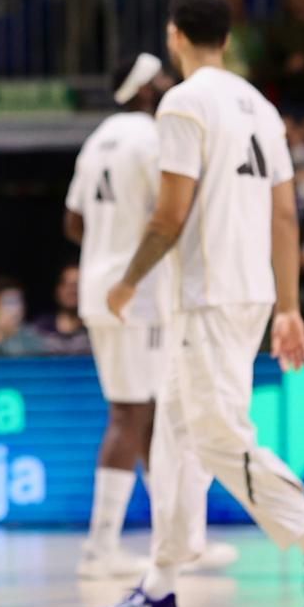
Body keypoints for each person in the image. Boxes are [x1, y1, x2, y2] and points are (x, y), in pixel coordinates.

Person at [94, 0, 304, 607]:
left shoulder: (183, 103)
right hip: (249, 293)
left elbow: (169, 215)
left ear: (174, 36)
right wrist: (290, 307)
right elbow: (284, 212)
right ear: (227, 37)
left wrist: (127, 281)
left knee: (217, 437)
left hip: (206, 295)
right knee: (178, 442)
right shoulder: (261, 106)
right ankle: (159, 587)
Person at [65, 53, 235, 580]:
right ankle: (100, 549)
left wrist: (106, 245)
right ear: (143, 91)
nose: (168, 85)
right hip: (136, 292)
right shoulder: (152, 135)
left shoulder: (97, 140)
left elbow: (73, 221)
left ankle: (178, 538)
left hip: (101, 284)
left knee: (154, 414)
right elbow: (173, 212)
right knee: (132, 414)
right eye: (160, 80)